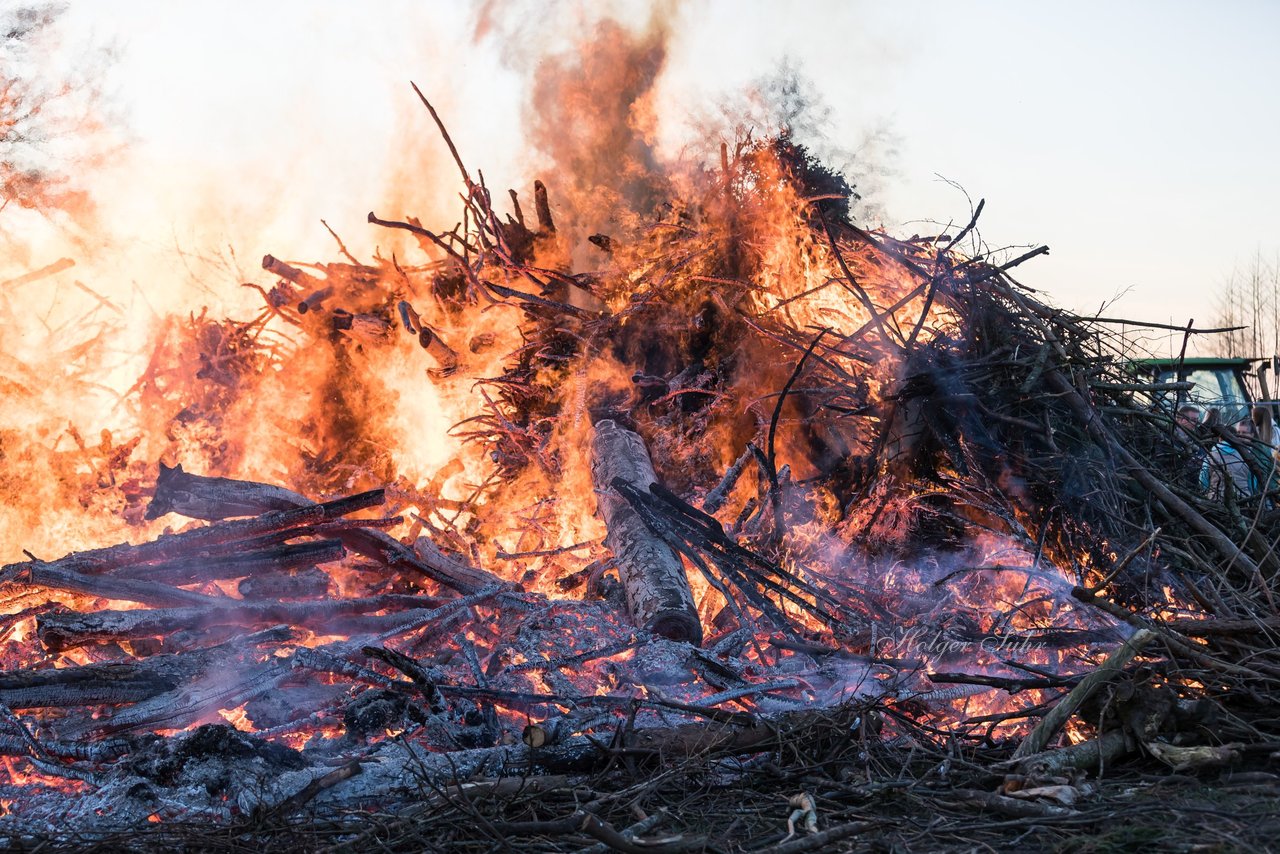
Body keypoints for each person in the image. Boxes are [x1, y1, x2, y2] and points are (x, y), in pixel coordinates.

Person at [1200, 419, 1257, 500]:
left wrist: (1206, 493)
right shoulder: (1248, 457)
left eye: (1244, 433)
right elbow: (1252, 484)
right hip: (1243, 500)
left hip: (1215, 500)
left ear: (1219, 439)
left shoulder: (1210, 456)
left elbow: (1203, 480)